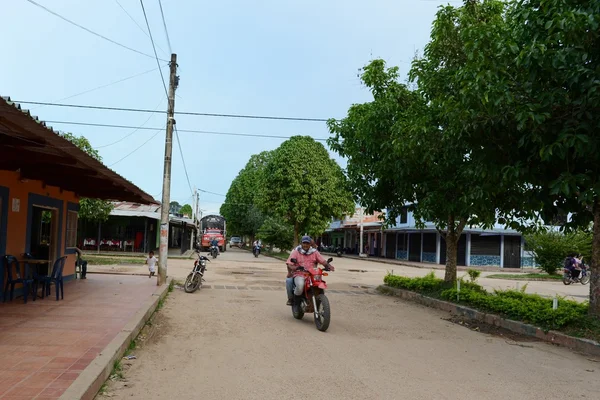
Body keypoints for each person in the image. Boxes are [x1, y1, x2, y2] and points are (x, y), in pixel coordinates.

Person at [285, 235, 334, 306]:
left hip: (312, 275)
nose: (305, 245)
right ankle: (296, 302)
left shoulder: (314, 252)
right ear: (301, 243)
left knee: (319, 284)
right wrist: (294, 268)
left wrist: (328, 266)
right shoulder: (296, 252)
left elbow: (322, 261)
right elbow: (289, 263)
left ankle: (319, 300)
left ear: (310, 244)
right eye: (304, 243)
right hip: (300, 274)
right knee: (300, 285)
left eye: (307, 243)